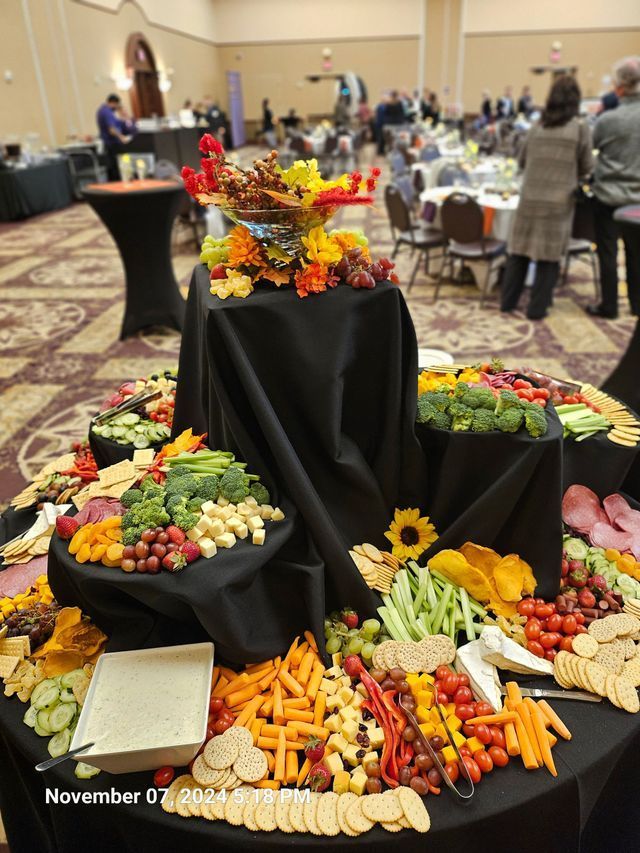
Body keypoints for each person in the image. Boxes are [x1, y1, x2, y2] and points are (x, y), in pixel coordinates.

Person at [501, 75, 593, 320]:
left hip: (530, 198)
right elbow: (587, 166)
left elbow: (521, 160)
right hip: (559, 202)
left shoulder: (536, 127)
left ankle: (507, 303)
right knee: (548, 257)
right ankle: (537, 309)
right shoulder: (580, 128)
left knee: (518, 251)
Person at [587, 56, 640, 319]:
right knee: (636, 253)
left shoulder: (607, 120)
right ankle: (636, 303)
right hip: (638, 200)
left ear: (618, 87)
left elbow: (591, 150)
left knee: (607, 253)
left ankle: (609, 305)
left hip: (608, 196)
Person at [96, 93, 134, 181]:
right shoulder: (107, 112)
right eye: (117, 105)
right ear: (113, 103)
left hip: (109, 143)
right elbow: (112, 129)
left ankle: (120, 180)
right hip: (112, 142)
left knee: (113, 164)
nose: (117, 108)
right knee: (122, 160)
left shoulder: (102, 110)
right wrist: (121, 137)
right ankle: (126, 178)